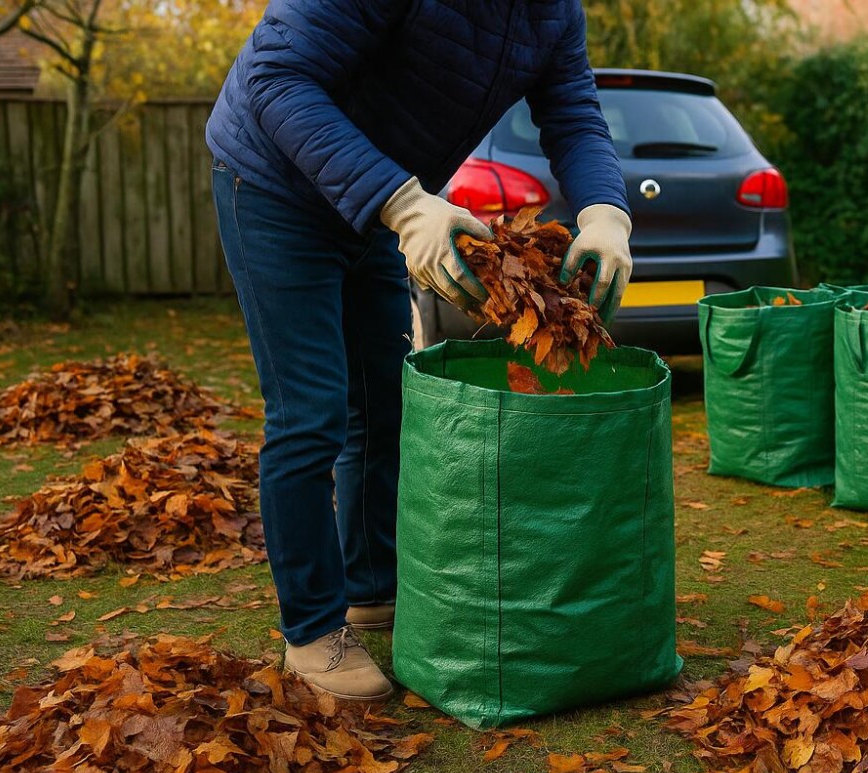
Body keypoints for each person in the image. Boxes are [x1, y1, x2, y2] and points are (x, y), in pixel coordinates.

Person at [206, 1, 632, 701]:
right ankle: (312, 634)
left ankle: (370, 589)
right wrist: (405, 204)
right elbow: (277, 78)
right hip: (274, 184)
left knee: (381, 402)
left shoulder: (553, 12)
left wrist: (605, 212)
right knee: (309, 411)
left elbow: (574, 117)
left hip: (370, 202)